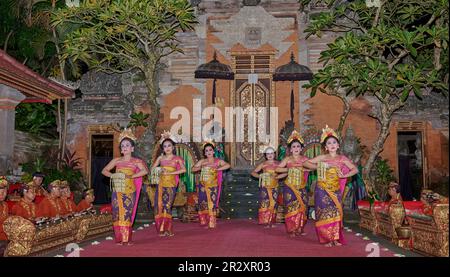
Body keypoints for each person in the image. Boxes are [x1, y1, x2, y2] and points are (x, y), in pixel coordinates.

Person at [303, 125, 358, 247]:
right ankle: (326, 239)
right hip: (322, 189)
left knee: (335, 213)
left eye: (334, 142)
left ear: (338, 145)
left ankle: (335, 238)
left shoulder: (342, 158)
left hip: (335, 190)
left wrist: (344, 175)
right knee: (324, 213)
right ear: (326, 147)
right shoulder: (322, 157)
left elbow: (355, 169)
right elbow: (306, 163)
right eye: (329, 143)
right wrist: (319, 167)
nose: (332, 144)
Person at [102, 128, 148, 245]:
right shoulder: (116, 161)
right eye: (122, 145)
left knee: (127, 213)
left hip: (129, 190)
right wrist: (114, 175)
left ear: (132, 148)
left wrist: (131, 176)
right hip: (117, 190)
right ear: (121, 149)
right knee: (117, 213)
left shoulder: (136, 161)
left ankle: (126, 238)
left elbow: (144, 171)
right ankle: (119, 238)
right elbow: (104, 171)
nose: (124, 147)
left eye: (127, 145)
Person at [150, 131, 186, 237]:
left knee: (167, 205)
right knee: (158, 205)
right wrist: (159, 169)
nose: (167, 148)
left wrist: (171, 172)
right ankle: (160, 229)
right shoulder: (160, 158)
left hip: (171, 184)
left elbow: (183, 170)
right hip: (160, 184)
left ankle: (167, 229)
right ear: (163, 148)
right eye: (165, 146)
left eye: (169, 145)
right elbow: (152, 169)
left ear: (173, 147)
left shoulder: (177, 158)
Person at [276, 130, 310, 237]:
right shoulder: (287, 159)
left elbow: (312, 167)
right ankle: (292, 229)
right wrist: (289, 169)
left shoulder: (304, 159)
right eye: (294, 146)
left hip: (302, 187)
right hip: (290, 187)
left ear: (301, 148)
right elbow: (278, 169)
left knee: (302, 207)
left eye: (298, 146)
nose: (296, 148)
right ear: (290, 149)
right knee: (291, 207)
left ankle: (300, 228)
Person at [192, 139, 230, 229]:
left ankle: (212, 223)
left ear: (213, 151)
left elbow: (228, 165)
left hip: (213, 185)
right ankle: (204, 221)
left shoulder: (218, 161)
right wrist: (201, 167)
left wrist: (217, 169)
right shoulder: (202, 161)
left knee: (212, 203)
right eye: (206, 151)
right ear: (204, 153)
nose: (208, 152)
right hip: (203, 185)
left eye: (210, 150)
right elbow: (193, 169)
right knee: (203, 202)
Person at [251, 146, 286, 228]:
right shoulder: (263, 164)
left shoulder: (279, 164)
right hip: (265, 187)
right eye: (268, 154)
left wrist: (278, 177)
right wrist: (261, 176)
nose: (270, 155)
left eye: (271, 153)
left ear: (274, 154)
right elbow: (253, 172)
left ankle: (272, 221)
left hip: (275, 186)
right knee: (265, 202)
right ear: (265, 155)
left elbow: (287, 172)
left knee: (273, 203)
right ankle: (265, 221)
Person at [0, 176, 9, 241]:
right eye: (0, 192)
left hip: (5, 233)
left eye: (4, 192)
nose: (2, 195)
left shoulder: (5, 204)